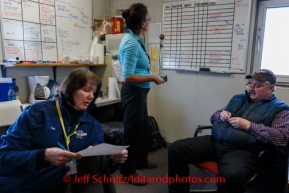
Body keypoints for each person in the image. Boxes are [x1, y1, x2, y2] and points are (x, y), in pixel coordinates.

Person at [0, 67, 128, 193]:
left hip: (68, 187)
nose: (91, 96)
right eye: (86, 90)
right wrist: (43, 155)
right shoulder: (37, 113)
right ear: (70, 89)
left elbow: (96, 168)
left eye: (94, 92)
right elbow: (4, 159)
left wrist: (113, 161)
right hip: (27, 185)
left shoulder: (93, 126)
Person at [168, 69, 289, 193]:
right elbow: (213, 117)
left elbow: (282, 137)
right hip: (216, 142)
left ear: (270, 88)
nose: (252, 88)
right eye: (250, 84)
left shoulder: (280, 109)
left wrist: (250, 126)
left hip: (243, 150)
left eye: (257, 86)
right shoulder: (238, 98)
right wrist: (220, 115)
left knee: (231, 176)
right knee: (176, 149)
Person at [118, 3, 165, 186]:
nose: (149, 21)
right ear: (141, 22)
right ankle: (128, 171)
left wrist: (151, 77)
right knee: (133, 133)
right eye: (148, 19)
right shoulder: (131, 43)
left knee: (144, 129)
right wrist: (153, 77)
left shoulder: (136, 38)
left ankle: (140, 160)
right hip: (133, 93)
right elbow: (127, 77)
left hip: (140, 93)